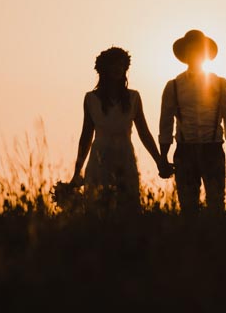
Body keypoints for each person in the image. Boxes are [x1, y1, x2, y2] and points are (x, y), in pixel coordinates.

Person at [70, 47, 173, 210]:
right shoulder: (91, 99)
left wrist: (159, 160)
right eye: (113, 64)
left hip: (125, 158)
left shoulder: (134, 97)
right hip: (99, 159)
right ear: (104, 69)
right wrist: (77, 172)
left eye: (121, 64)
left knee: (128, 208)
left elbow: (144, 132)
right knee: (98, 208)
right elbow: (86, 135)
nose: (118, 68)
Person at [159, 29, 226, 213]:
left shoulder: (221, 84)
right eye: (191, 50)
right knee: (187, 207)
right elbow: (165, 123)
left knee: (216, 205)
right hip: (185, 151)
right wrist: (163, 157)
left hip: (213, 149)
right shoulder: (173, 86)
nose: (194, 54)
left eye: (198, 50)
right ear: (185, 54)